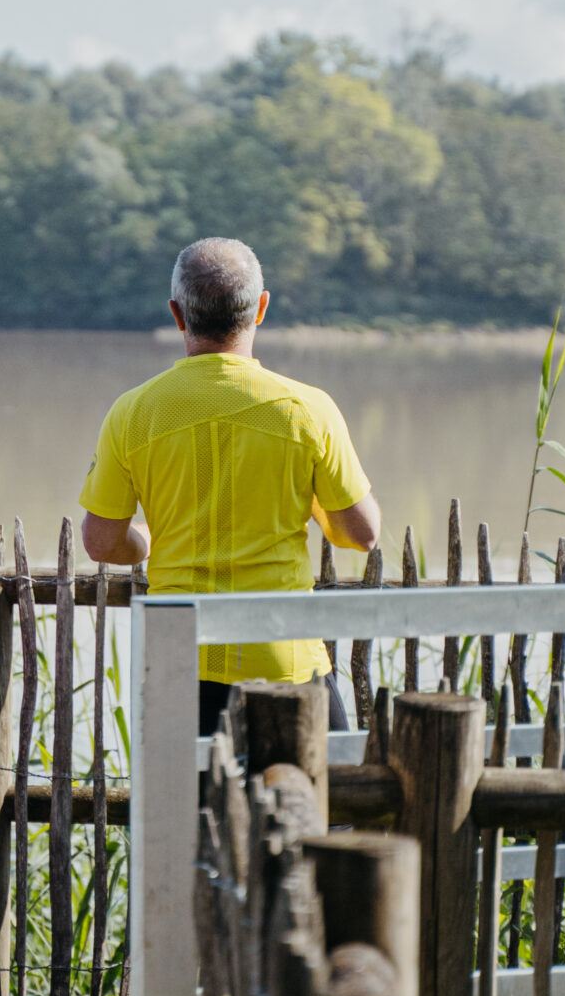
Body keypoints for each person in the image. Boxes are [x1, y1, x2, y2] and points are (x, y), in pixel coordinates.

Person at [77, 237, 382, 732]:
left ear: (178, 315)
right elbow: (361, 534)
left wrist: (147, 542)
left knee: (182, 809)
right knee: (313, 804)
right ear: (261, 308)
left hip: (178, 662)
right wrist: (316, 507)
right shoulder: (307, 409)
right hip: (285, 659)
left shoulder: (133, 412)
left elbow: (101, 541)